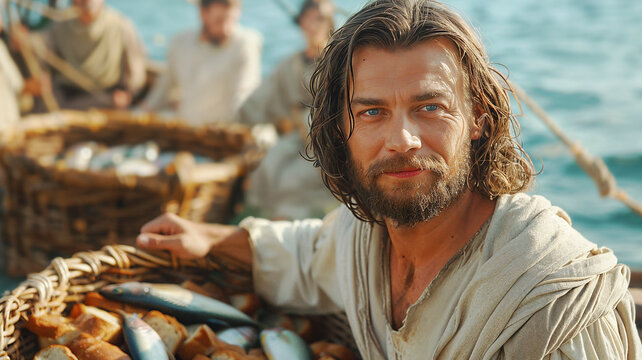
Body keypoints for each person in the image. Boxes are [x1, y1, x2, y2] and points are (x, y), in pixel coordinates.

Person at [137, 0, 642, 358]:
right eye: (373, 111)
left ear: (479, 117)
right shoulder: (364, 238)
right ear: (341, 130)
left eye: (429, 106)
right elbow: (306, 252)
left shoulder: (549, 303)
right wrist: (209, 235)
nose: (402, 139)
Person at [237, 0, 337, 219]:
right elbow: (258, 103)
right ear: (301, 23)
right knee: (267, 168)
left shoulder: (338, 63)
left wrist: (305, 121)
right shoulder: (290, 65)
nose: (313, 26)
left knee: (293, 181)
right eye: (309, 20)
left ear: (329, 23)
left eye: (320, 19)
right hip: (295, 140)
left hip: (327, 146)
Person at [142, 0, 262, 126]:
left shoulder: (246, 45)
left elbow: (244, 93)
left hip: (221, 135)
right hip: (184, 133)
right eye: (219, 20)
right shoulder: (180, 43)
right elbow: (161, 93)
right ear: (203, 13)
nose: (226, 29)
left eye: (231, 21)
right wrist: (141, 113)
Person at [41, 0, 147, 110]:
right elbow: (42, 55)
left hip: (106, 95)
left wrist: (128, 95)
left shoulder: (121, 26)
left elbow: (136, 72)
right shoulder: (58, 26)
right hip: (67, 93)